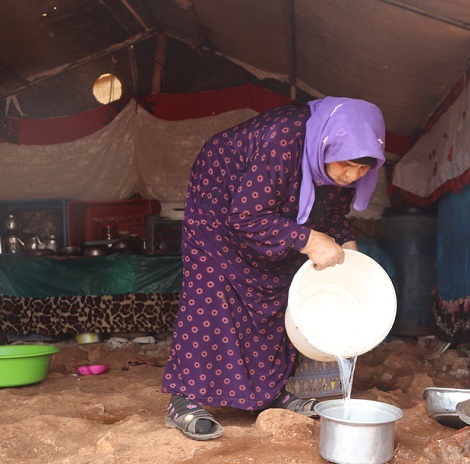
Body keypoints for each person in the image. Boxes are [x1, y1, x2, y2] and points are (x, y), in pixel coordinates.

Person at [162, 96, 386, 440]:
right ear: (327, 143)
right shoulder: (284, 138)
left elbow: (331, 214)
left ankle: (269, 394)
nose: (351, 176)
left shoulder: (334, 160)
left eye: (362, 169)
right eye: (347, 165)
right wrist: (309, 240)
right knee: (213, 290)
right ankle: (185, 398)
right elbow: (246, 215)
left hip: (272, 213)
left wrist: (344, 243)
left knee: (279, 290)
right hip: (220, 207)